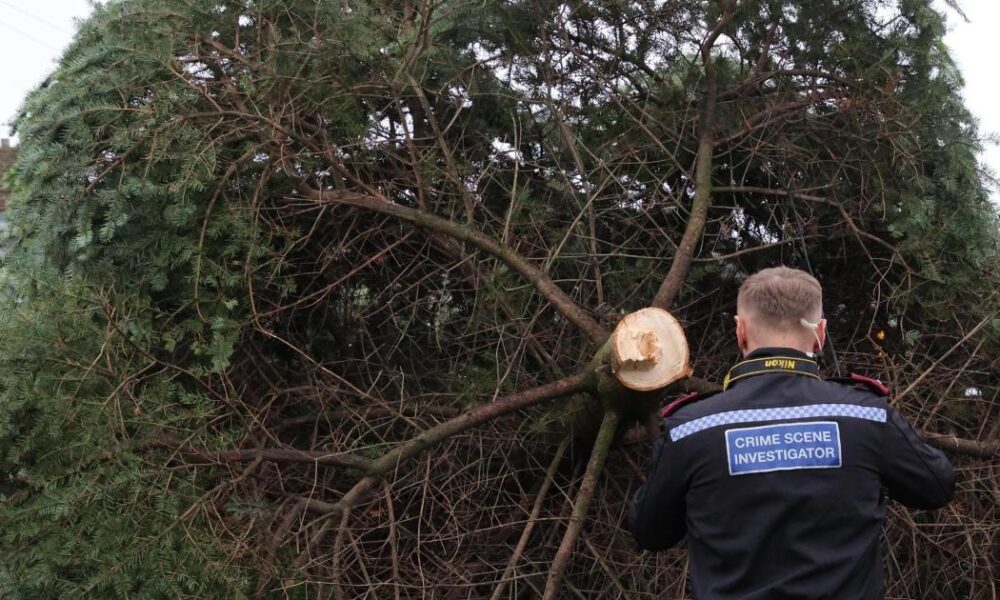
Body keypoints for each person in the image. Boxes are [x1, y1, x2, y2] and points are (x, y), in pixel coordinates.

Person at [628, 266, 955, 600]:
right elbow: (936, 486)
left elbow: (648, 532)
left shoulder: (691, 428)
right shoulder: (866, 416)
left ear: (740, 331)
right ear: (821, 333)